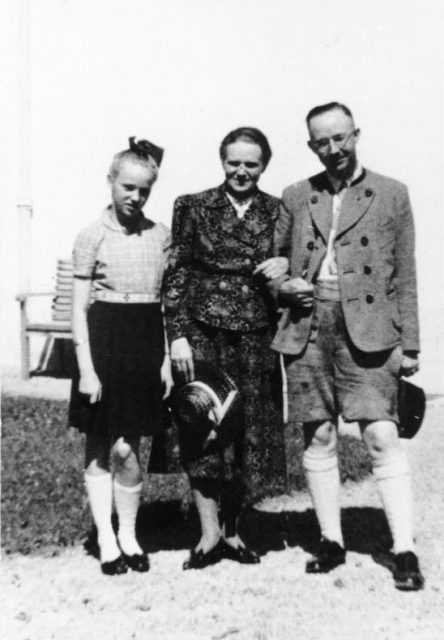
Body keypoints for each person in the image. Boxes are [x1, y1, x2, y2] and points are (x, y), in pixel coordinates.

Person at [270, 102, 424, 590]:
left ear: (356, 134)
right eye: (322, 141)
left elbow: (406, 272)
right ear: (311, 144)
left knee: (381, 435)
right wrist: (284, 285)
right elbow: (274, 261)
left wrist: (411, 344)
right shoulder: (296, 195)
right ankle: (331, 540)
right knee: (318, 436)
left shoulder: (392, 193)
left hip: (372, 330)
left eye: (341, 138)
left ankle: (404, 549)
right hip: (309, 326)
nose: (333, 149)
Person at [163, 126, 289, 570]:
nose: (241, 171)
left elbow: (294, 257)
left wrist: (287, 262)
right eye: (233, 162)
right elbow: (176, 272)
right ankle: (207, 532)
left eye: (250, 164)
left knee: (246, 431)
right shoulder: (193, 206)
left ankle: (233, 531)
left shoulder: (279, 209)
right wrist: (176, 333)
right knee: (200, 424)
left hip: (255, 336)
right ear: (222, 162)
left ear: (264, 165)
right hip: (201, 333)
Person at [68, 137, 173, 575]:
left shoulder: (159, 234)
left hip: (145, 339)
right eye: (127, 187)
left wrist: (165, 358)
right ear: (110, 182)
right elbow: (78, 307)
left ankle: (129, 534)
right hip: (104, 340)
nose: (135, 196)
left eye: (144, 190)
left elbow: (167, 303)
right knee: (99, 446)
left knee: (129, 448)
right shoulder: (92, 235)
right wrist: (87, 370)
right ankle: (106, 540)